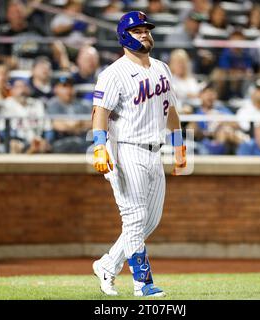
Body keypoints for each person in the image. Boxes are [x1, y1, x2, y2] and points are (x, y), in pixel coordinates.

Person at [91, 11, 186, 297]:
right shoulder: (113, 73)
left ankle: (108, 265)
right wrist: (98, 146)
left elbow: (171, 111)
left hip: (155, 151)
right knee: (134, 218)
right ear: (123, 35)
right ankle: (142, 283)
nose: (144, 33)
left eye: (145, 29)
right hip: (126, 150)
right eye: (137, 30)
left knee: (150, 220)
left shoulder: (161, 68)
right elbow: (100, 113)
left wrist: (180, 146)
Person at [0, 79, 51, 153]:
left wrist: (46, 141)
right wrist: (11, 140)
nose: (22, 90)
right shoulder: (6, 104)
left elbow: (48, 129)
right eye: (18, 87)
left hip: (37, 141)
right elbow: (1, 130)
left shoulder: (38, 104)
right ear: (12, 90)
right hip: (17, 141)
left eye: (25, 86)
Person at [46, 75, 92, 153]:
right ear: (55, 89)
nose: (68, 90)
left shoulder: (84, 104)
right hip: (60, 142)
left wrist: (73, 124)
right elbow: (58, 125)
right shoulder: (51, 104)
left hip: (83, 142)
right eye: (64, 86)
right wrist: (80, 124)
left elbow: (92, 123)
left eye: (71, 86)